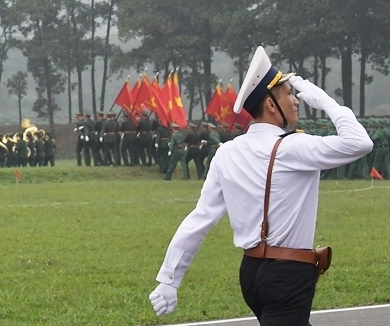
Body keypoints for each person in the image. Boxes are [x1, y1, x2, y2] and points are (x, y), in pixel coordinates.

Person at [149, 47, 373, 323]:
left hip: (251, 271)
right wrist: (326, 101)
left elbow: (200, 219)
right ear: (270, 104)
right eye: (289, 93)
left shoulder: (227, 152)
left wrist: (170, 278)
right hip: (287, 275)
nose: (296, 100)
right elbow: (360, 142)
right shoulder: (294, 147)